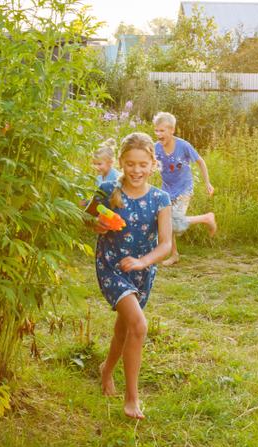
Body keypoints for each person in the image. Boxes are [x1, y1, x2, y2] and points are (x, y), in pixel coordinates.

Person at [86, 132, 172, 419]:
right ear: (121, 162)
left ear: (152, 164)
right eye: (131, 164)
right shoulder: (109, 189)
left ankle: (106, 370)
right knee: (138, 325)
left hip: (141, 270)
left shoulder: (161, 198)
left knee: (124, 327)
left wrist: (142, 262)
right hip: (111, 266)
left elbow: (166, 244)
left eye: (143, 164)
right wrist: (97, 224)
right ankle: (132, 399)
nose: (136, 170)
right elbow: (86, 216)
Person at [153, 112, 216, 266]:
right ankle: (174, 255)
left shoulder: (183, 146)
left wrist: (207, 182)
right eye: (156, 131)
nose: (159, 134)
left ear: (172, 130)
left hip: (184, 188)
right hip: (166, 189)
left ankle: (207, 218)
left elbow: (200, 162)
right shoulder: (156, 148)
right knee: (166, 221)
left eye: (162, 130)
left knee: (173, 221)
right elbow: (150, 164)